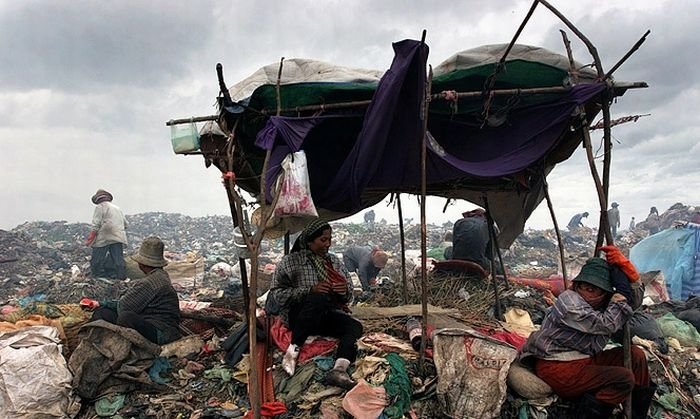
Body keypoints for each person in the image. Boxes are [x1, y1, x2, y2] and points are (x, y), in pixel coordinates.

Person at [519, 247, 655, 418]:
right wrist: (620, 295)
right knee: (623, 378)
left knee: (636, 355)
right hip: (557, 367)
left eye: (593, 290)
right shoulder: (569, 301)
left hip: (584, 360)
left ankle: (636, 414)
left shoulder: (603, 305)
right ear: (577, 285)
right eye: (583, 286)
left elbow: (630, 304)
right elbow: (607, 324)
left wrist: (632, 277)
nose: (585, 292)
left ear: (605, 294)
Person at [268, 219, 362, 390]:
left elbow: (348, 294)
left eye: (329, 239)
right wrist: (309, 291)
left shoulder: (333, 262)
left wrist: (343, 292)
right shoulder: (291, 262)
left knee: (354, 327)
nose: (328, 244)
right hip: (299, 317)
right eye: (323, 240)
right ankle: (294, 349)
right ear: (309, 241)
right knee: (318, 298)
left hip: (324, 316)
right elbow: (277, 296)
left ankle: (339, 369)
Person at [88, 236, 182, 345]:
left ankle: (105, 345)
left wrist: (102, 304)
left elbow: (124, 306)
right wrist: (100, 303)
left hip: (161, 333)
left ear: (141, 264)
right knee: (106, 311)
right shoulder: (162, 275)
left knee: (124, 317)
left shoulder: (149, 283)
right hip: (165, 328)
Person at [86, 189, 128, 280]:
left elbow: (96, 224)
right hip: (118, 236)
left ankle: (96, 277)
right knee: (118, 259)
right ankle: (121, 278)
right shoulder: (118, 209)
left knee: (97, 259)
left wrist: (91, 238)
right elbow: (126, 224)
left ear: (98, 199)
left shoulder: (100, 207)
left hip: (104, 236)